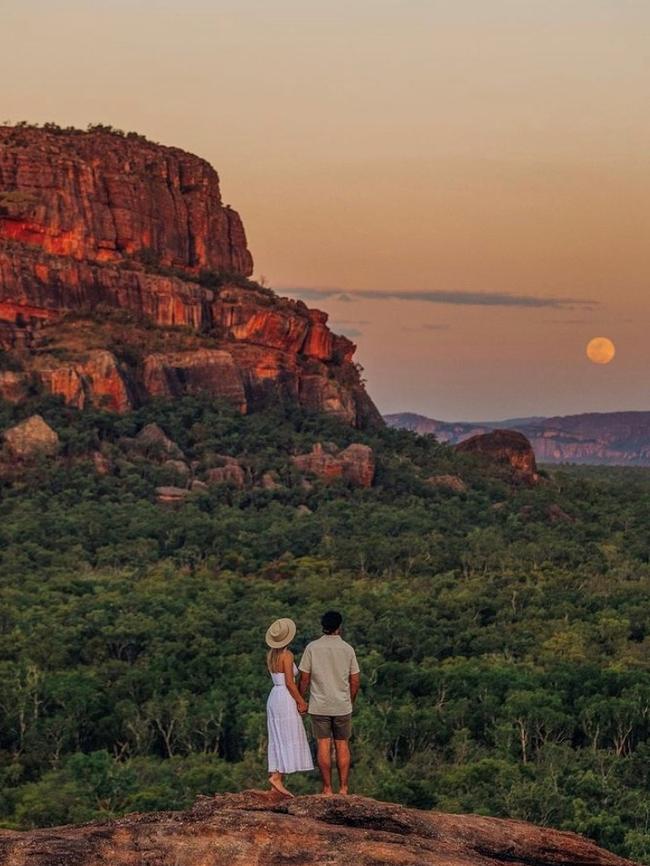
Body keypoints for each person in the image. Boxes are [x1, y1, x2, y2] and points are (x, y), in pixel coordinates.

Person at [299, 611, 360, 796]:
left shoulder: (312, 648)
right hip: (342, 705)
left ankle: (327, 788)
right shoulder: (347, 649)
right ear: (339, 627)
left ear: (322, 625)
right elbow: (355, 680)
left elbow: (304, 678)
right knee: (342, 745)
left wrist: (301, 700)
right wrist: (350, 700)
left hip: (319, 705)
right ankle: (343, 788)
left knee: (323, 745)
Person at [265, 617, 314, 796]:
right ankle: (277, 777)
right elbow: (289, 682)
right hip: (284, 696)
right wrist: (301, 701)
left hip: (274, 696)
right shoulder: (287, 655)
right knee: (287, 734)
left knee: (277, 735)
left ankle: (275, 779)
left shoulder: (271, 655)